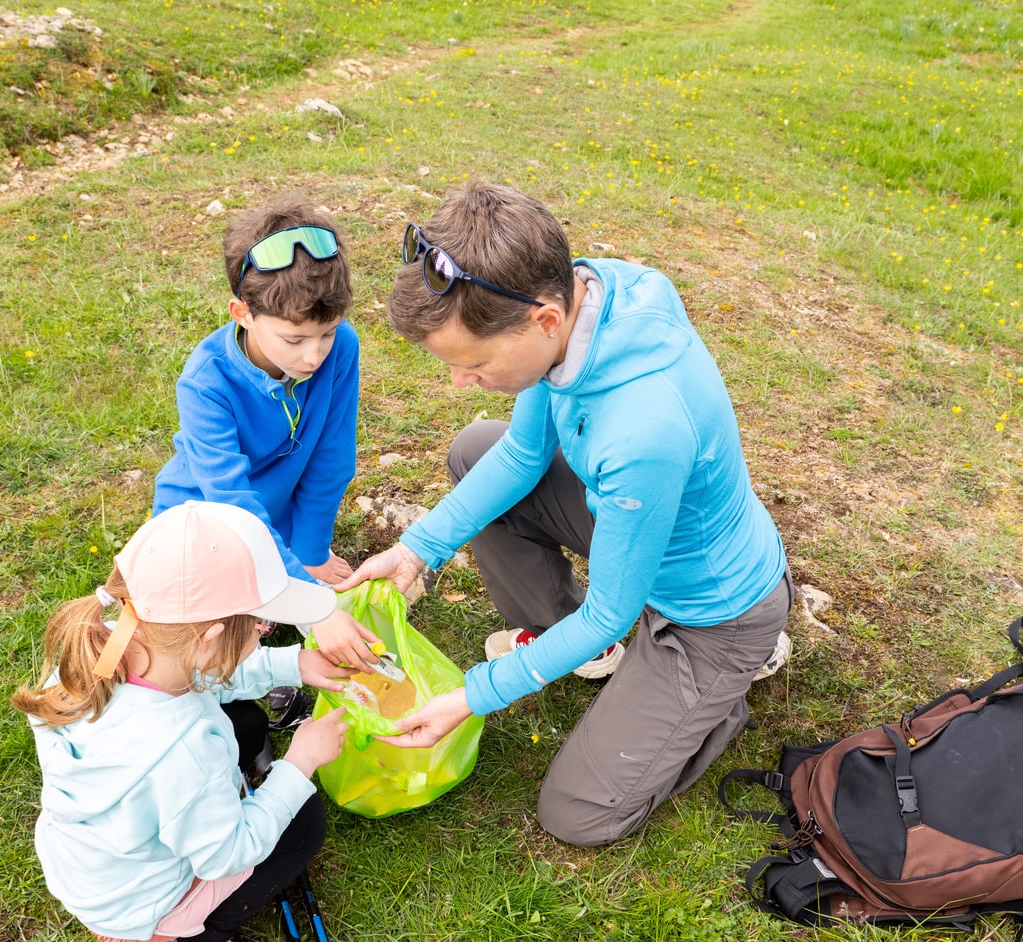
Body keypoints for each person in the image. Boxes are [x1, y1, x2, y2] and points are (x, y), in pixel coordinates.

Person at [339, 181, 794, 848]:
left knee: (576, 813)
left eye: (473, 363)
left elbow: (612, 607)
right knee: (477, 450)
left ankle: (713, 701)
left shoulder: (641, 430)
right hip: (641, 527)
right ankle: (585, 647)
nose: (461, 382)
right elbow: (524, 454)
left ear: (544, 320)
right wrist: (417, 548)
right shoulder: (587, 292)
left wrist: (474, 693)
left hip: (712, 611)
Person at [13, 501, 354, 942]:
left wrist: (294, 662)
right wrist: (300, 763)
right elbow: (228, 854)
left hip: (98, 868)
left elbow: (206, 676)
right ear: (211, 636)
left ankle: (180, 875)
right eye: (260, 624)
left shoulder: (108, 650)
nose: (266, 629)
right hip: (142, 904)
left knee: (237, 716)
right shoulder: (181, 750)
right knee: (302, 825)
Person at [152, 193, 379, 678]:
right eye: (294, 340)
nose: (314, 356)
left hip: (273, 514)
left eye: (327, 333)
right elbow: (232, 506)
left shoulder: (344, 348)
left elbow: (332, 455)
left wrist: (311, 554)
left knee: (266, 609)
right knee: (212, 650)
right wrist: (312, 602)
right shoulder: (205, 383)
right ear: (242, 313)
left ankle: (277, 595)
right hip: (205, 522)